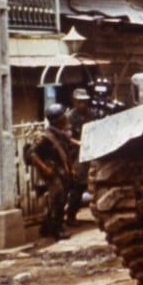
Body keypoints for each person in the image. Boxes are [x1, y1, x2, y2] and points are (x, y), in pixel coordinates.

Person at [27, 104, 76, 240]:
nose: (66, 118)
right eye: (63, 116)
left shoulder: (61, 135)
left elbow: (67, 152)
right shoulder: (45, 137)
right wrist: (45, 169)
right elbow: (32, 154)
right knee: (58, 200)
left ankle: (46, 228)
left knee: (61, 199)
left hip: (62, 172)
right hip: (52, 173)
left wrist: (71, 168)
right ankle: (57, 230)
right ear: (58, 120)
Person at [65, 88, 95, 225]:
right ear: (74, 102)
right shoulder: (70, 117)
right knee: (77, 185)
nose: (82, 104)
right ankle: (70, 215)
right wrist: (80, 143)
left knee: (87, 184)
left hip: (90, 152)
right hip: (75, 154)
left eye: (84, 101)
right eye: (79, 102)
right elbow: (67, 137)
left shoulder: (91, 114)